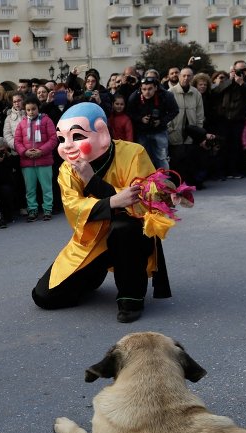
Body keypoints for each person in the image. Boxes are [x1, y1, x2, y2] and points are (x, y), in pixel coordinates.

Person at [31, 102, 172, 323]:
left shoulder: (134, 153)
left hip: (130, 236)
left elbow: (144, 202)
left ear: (103, 133)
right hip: (91, 238)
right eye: (61, 139)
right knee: (44, 296)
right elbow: (73, 207)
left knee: (124, 229)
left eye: (77, 136)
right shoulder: (68, 168)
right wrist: (114, 200)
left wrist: (96, 186)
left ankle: (131, 297)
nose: (67, 146)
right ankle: (92, 275)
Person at [14, 96, 58, 222]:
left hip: (44, 160)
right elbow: (17, 142)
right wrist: (24, 152)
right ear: (25, 110)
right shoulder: (22, 123)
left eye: (33, 109)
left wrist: (41, 151)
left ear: (38, 108)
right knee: (30, 189)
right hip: (27, 162)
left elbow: (53, 139)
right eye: (28, 110)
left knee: (46, 187)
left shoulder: (46, 121)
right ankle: (32, 210)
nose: (31, 112)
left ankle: (48, 209)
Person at [127, 76, 179, 170]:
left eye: (150, 88)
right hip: (142, 132)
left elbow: (175, 110)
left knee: (162, 158)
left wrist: (162, 121)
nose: (147, 92)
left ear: (156, 87)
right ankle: (146, 182)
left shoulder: (166, 95)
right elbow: (129, 112)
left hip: (160, 130)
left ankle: (164, 183)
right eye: (144, 89)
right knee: (143, 158)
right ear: (140, 89)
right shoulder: (134, 97)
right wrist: (140, 119)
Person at [167, 66, 205, 187]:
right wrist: (170, 129)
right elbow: (167, 113)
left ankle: (191, 183)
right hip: (175, 131)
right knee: (177, 159)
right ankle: (178, 184)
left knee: (191, 158)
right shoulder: (170, 93)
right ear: (179, 77)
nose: (186, 78)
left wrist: (199, 131)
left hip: (192, 131)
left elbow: (200, 114)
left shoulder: (196, 93)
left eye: (189, 76)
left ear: (192, 77)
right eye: (183, 75)